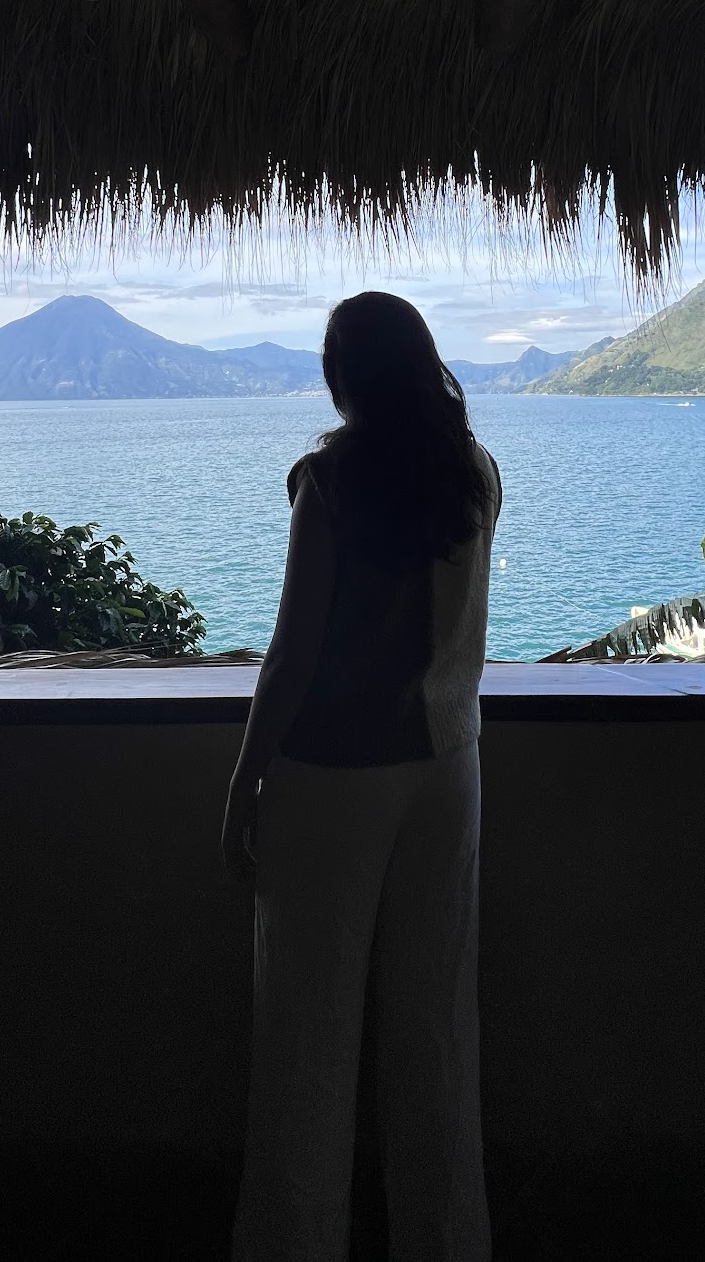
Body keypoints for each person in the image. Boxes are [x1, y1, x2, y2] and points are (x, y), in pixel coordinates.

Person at [224, 290, 501, 1262]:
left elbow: (291, 656)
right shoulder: (474, 473)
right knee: (435, 1029)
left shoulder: (328, 481)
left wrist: (242, 785)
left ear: (345, 371)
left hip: (335, 773)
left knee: (308, 1032)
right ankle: (447, 1238)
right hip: (448, 765)